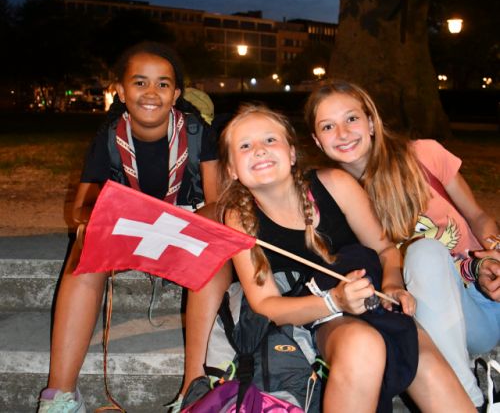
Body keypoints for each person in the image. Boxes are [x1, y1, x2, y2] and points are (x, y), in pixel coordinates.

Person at [191, 104, 473, 412]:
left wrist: (393, 284)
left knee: (420, 356)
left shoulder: (335, 184)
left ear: (292, 153)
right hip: (317, 315)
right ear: (232, 169)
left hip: (375, 299)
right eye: (245, 146)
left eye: (270, 140)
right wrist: (334, 302)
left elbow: (386, 250)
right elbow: (266, 305)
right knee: (361, 344)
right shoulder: (241, 218)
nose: (259, 150)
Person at [37, 41, 218, 413]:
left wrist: (183, 225)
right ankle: (60, 395)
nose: (151, 92)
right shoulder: (108, 136)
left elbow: (216, 203)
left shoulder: (198, 132)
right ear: (120, 91)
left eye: (163, 84)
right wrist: (104, 220)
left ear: (176, 94)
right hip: (130, 226)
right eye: (139, 82)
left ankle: (194, 392)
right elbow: (81, 208)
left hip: (186, 225)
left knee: (217, 258)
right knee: (84, 246)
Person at [304, 81, 500, 409]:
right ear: (316, 140)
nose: (342, 133)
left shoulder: (424, 155)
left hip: (480, 303)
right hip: (421, 317)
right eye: (328, 126)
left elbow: (478, 216)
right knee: (422, 254)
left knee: (425, 251)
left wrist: (496, 252)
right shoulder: (335, 201)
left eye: (351, 119)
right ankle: (468, 401)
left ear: (370, 121)